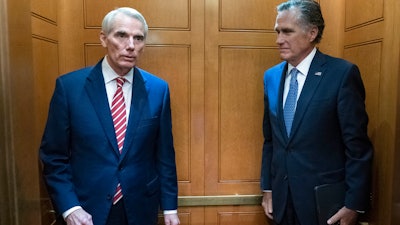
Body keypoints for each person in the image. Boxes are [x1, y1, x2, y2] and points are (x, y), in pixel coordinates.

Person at [39, 7, 180, 225]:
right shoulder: (69, 88)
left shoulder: (158, 89)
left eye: (139, 38)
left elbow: (164, 156)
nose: (131, 46)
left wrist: (170, 207)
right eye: (121, 35)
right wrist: (69, 207)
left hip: (140, 208)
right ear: (104, 39)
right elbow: (53, 156)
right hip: (86, 209)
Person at [260, 1, 373, 225]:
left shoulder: (341, 74)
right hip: (282, 203)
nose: (279, 40)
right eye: (277, 32)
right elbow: (271, 140)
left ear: (312, 32)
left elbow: (357, 147)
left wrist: (354, 204)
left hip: (325, 206)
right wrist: (268, 188)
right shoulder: (271, 77)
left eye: (287, 32)